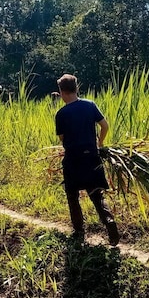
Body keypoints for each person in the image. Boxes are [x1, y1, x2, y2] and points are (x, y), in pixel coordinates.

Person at [54, 74, 120, 246]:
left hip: (73, 159)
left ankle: (79, 231)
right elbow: (104, 126)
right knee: (96, 195)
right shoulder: (90, 105)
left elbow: (62, 138)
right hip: (91, 156)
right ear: (76, 89)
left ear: (61, 92)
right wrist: (100, 142)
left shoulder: (61, 114)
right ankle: (109, 223)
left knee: (72, 195)